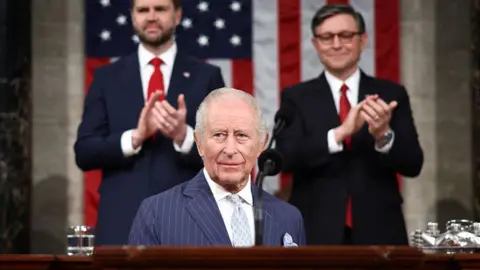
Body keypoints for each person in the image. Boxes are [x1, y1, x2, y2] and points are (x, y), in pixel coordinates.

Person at [74, 0, 225, 245]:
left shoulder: (207, 77)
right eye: (143, 10)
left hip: (190, 220)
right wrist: (134, 137)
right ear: (133, 17)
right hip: (121, 222)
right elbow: (84, 152)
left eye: (160, 9)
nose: (151, 16)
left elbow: (226, 153)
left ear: (177, 15)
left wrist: (184, 136)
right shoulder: (106, 78)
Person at [275, 3, 424, 245]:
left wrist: (383, 135)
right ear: (316, 44)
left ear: (362, 41)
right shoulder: (297, 97)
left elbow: (413, 164)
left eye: (345, 36)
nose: (336, 44)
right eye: (326, 37)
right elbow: (285, 157)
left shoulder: (390, 94)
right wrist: (339, 134)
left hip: (380, 230)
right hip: (316, 230)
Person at [128, 88, 306, 246]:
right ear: (199, 143)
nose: (230, 149)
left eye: (241, 135)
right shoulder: (157, 213)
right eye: (219, 135)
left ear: (262, 144)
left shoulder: (288, 217)